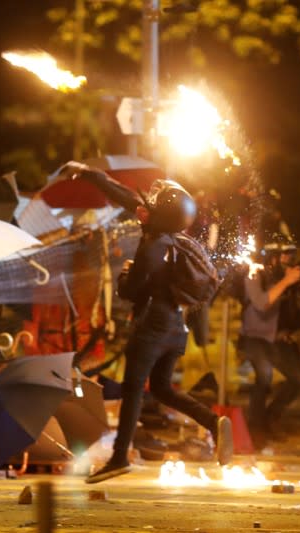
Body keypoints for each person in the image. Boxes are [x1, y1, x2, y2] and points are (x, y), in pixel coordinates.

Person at [85, 179, 233, 484]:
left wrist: (126, 275)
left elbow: (131, 291)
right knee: (163, 388)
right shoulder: (176, 239)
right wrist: (91, 175)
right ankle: (213, 422)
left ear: (159, 214)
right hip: (177, 327)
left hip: (152, 325)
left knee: (133, 389)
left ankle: (118, 458)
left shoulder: (153, 245)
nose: (144, 205)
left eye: (154, 203)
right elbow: (130, 198)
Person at [238, 233, 300, 449]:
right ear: (273, 256)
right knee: (264, 377)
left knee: (298, 378)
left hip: (276, 338)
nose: (289, 260)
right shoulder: (254, 273)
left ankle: (271, 417)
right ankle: (255, 428)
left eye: (291, 256)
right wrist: (286, 282)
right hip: (254, 337)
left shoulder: (282, 277)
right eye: (285, 256)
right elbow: (260, 303)